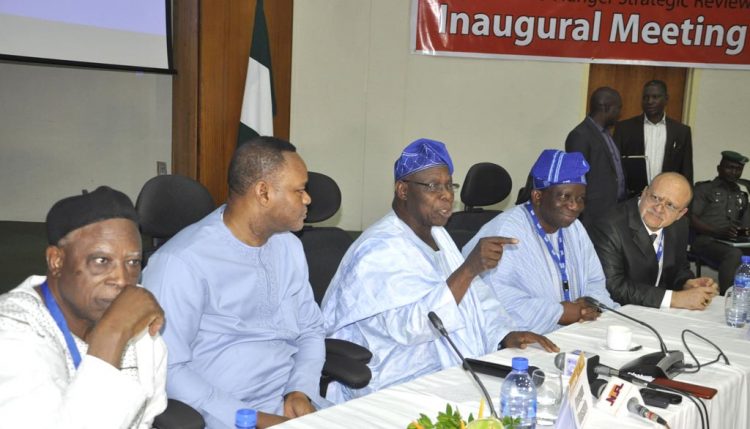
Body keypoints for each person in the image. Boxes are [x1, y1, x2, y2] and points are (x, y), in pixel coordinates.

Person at [320, 139, 559, 403]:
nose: (446, 195)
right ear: (403, 190)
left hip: (444, 366)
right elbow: (412, 327)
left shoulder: (438, 235)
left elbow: (476, 300)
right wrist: (468, 269)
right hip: (394, 378)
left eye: (449, 185)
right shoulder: (378, 249)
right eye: (433, 186)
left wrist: (504, 335)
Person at [143, 137, 325, 429]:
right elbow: (168, 368)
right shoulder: (181, 262)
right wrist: (255, 419)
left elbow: (311, 330)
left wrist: (300, 390)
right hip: (221, 415)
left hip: (289, 405)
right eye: (300, 190)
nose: (308, 200)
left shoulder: (288, 247)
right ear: (263, 192)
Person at [0, 186, 167, 428]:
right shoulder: (12, 329)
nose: (122, 279)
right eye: (101, 261)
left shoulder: (137, 315)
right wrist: (112, 336)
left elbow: (146, 419)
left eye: (132, 262)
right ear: (56, 260)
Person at [462, 149, 615, 335]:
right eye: (565, 196)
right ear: (538, 196)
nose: (575, 206)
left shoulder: (575, 228)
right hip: (521, 340)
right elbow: (497, 301)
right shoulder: (505, 232)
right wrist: (559, 313)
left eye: (580, 198)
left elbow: (595, 282)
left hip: (575, 332)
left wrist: (591, 307)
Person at [589, 173, 719, 309]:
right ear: (644, 192)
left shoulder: (679, 226)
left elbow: (679, 268)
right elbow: (613, 287)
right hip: (619, 313)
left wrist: (687, 283)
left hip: (657, 313)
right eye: (655, 197)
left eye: (670, 205)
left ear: (680, 214)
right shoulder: (609, 226)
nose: (659, 208)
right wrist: (674, 299)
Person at [614, 80, 693, 194]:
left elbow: (687, 172)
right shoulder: (624, 128)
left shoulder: (681, 131)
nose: (650, 101)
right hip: (632, 198)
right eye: (646, 97)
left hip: (667, 198)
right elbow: (615, 167)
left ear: (666, 99)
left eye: (655, 97)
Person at [690, 151, 750, 294]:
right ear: (719, 168)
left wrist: (742, 232)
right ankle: (727, 298)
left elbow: (745, 228)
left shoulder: (742, 195)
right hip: (706, 241)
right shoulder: (704, 189)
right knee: (734, 254)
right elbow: (690, 218)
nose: (734, 172)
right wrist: (717, 231)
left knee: (738, 251)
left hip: (732, 242)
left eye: (738, 169)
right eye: (729, 167)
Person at [565, 87, 626, 227]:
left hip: (613, 211)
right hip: (593, 216)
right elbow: (578, 180)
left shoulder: (607, 134)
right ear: (606, 107)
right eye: (618, 108)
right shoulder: (580, 135)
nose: (620, 114)